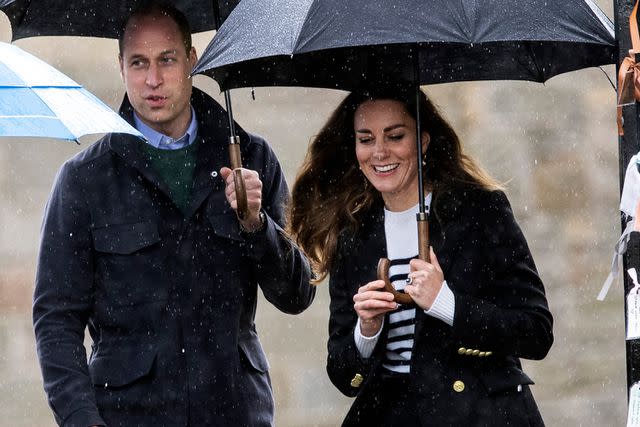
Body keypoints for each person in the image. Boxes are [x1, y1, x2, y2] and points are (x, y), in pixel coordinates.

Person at [33, 3, 315, 426]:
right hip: (128, 416)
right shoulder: (85, 179)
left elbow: (297, 295)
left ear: (191, 61)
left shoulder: (252, 158)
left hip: (235, 412)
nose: (153, 80)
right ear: (121, 67)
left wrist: (256, 226)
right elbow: (56, 321)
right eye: (139, 63)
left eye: (166, 60)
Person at [289, 87, 553, 426]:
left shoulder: (480, 212)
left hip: (479, 414)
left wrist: (445, 303)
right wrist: (366, 331)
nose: (379, 152)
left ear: (423, 141)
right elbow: (343, 376)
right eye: (365, 139)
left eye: (395, 136)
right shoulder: (352, 236)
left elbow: (536, 332)